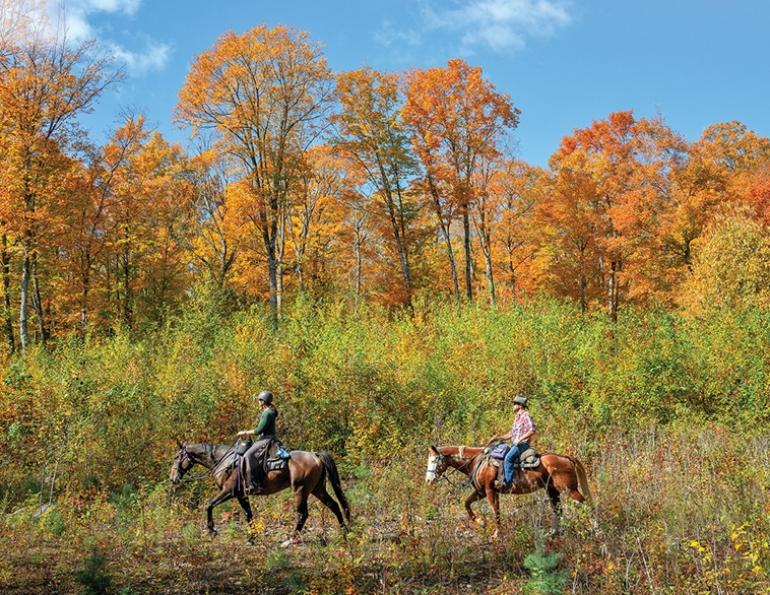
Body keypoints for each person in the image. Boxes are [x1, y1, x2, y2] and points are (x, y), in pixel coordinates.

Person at [489, 394, 536, 491]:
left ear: (520, 405)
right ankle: (501, 477)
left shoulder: (525, 415)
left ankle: (508, 484)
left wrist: (520, 439)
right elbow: (511, 434)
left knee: (508, 458)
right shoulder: (516, 418)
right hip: (515, 444)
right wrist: (498, 438)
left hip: (522, 444)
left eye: (515, 404)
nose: (513, 406)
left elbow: (532, 430)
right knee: (500, 454)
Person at [238, 390, 279, 493]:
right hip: (265, 438)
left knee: (248, 455)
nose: (258, 402)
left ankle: (253, 484)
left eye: (259, 400)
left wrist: (245, 432)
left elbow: (259, 430)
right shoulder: (268, 411)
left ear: (263, 401)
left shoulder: (267, 413)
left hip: (266, 439)